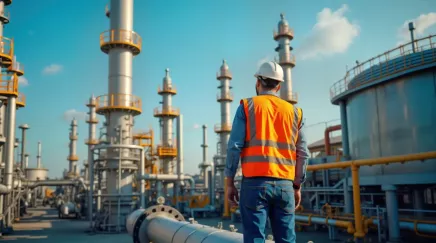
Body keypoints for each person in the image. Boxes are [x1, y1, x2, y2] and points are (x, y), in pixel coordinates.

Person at [224, 61, 309, 243]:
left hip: (255, 185)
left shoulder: (247, 107)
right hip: (286, 186)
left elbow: (234, 147)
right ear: (279, 86)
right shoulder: (295, 112)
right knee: (287, 240)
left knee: (255, 239)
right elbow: (303, 153)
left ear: (258, 83)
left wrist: (229, 182)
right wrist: (297, 185)